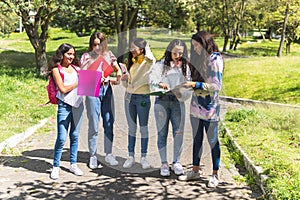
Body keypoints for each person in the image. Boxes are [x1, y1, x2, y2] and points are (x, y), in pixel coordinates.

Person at [178, 31, 224, 188]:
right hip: (195, 109)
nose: (195, 49)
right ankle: (195, 171)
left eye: (197, 46)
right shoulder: (198, 59)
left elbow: (216, 87)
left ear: (205, 44)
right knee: (197, 140)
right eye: (193, 46)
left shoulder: (215, 59)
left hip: (210, 110)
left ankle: (215, 174)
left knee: (212, 142)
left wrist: (195, 85)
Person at [149, 39, 191, 176]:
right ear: (169, 51)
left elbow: (188, 85)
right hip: (162, 100)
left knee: (178, 132)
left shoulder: (185, 67)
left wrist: (182, 90)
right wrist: (160, 84)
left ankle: (176, 161)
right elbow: (152, 80)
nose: (178, 55)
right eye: (175, 53)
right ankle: (164, 163)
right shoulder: (161, 65)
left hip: (178, 101)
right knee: (162, 133)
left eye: (181, 53)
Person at [80, 32, 122, 169]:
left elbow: (117, 67)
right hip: (92, 90)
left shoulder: (108, 54)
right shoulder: (87, 56)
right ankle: (93, 155)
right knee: (94, 123)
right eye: (94, 44)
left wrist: (119, 73)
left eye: (99, 44)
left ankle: (109, 154)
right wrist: (98, 77)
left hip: (106, 90)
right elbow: (83, 75)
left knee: (109, 122)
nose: (97, 47)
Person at [47, 43, 84, 179]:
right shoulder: (57, 70)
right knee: (62, 138)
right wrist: (78, 83)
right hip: (64, 106)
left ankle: (73, 164)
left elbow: (90, 82)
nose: (71, 57)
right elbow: (62, 89)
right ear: (62, 54)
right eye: (69, 54)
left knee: (74, 136)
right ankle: (56, 166)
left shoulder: (77, 69)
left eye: (73, 54)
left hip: (78, 105)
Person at [121, 38, 156, 169]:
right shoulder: (132, 62)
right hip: (129, 97)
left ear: (142, 49)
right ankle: (130, 156)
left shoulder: (148, 62)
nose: (131, 50)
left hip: (143, 97)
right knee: (131, 128)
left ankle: (143, 157)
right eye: (130, 48)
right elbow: (127, 85)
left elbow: (151, 58)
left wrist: (146, 46)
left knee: (143, 128)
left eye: (133, 48)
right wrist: (124, 80)